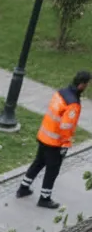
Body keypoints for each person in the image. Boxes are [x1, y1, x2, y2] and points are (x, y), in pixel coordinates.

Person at [17, 71, 89, 210]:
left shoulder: (61, 93)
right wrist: (65, 144)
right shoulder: (73, 104)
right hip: (55, 143)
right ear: (82, 85)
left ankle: (23, 188)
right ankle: (45, 198)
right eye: (87, 84)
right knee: (52, 171)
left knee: (38, 163)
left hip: (44, 135)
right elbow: (66, 126)